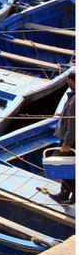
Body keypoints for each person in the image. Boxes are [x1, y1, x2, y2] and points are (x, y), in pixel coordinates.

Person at [50, 70, 75, 205]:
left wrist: (67, 143)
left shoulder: (75, 100)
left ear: (72, 81)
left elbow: (73, 125)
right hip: (69, 139)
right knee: (67, 166)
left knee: (59, 165)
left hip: (69, 141)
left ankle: (74, 192)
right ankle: (64, 194)